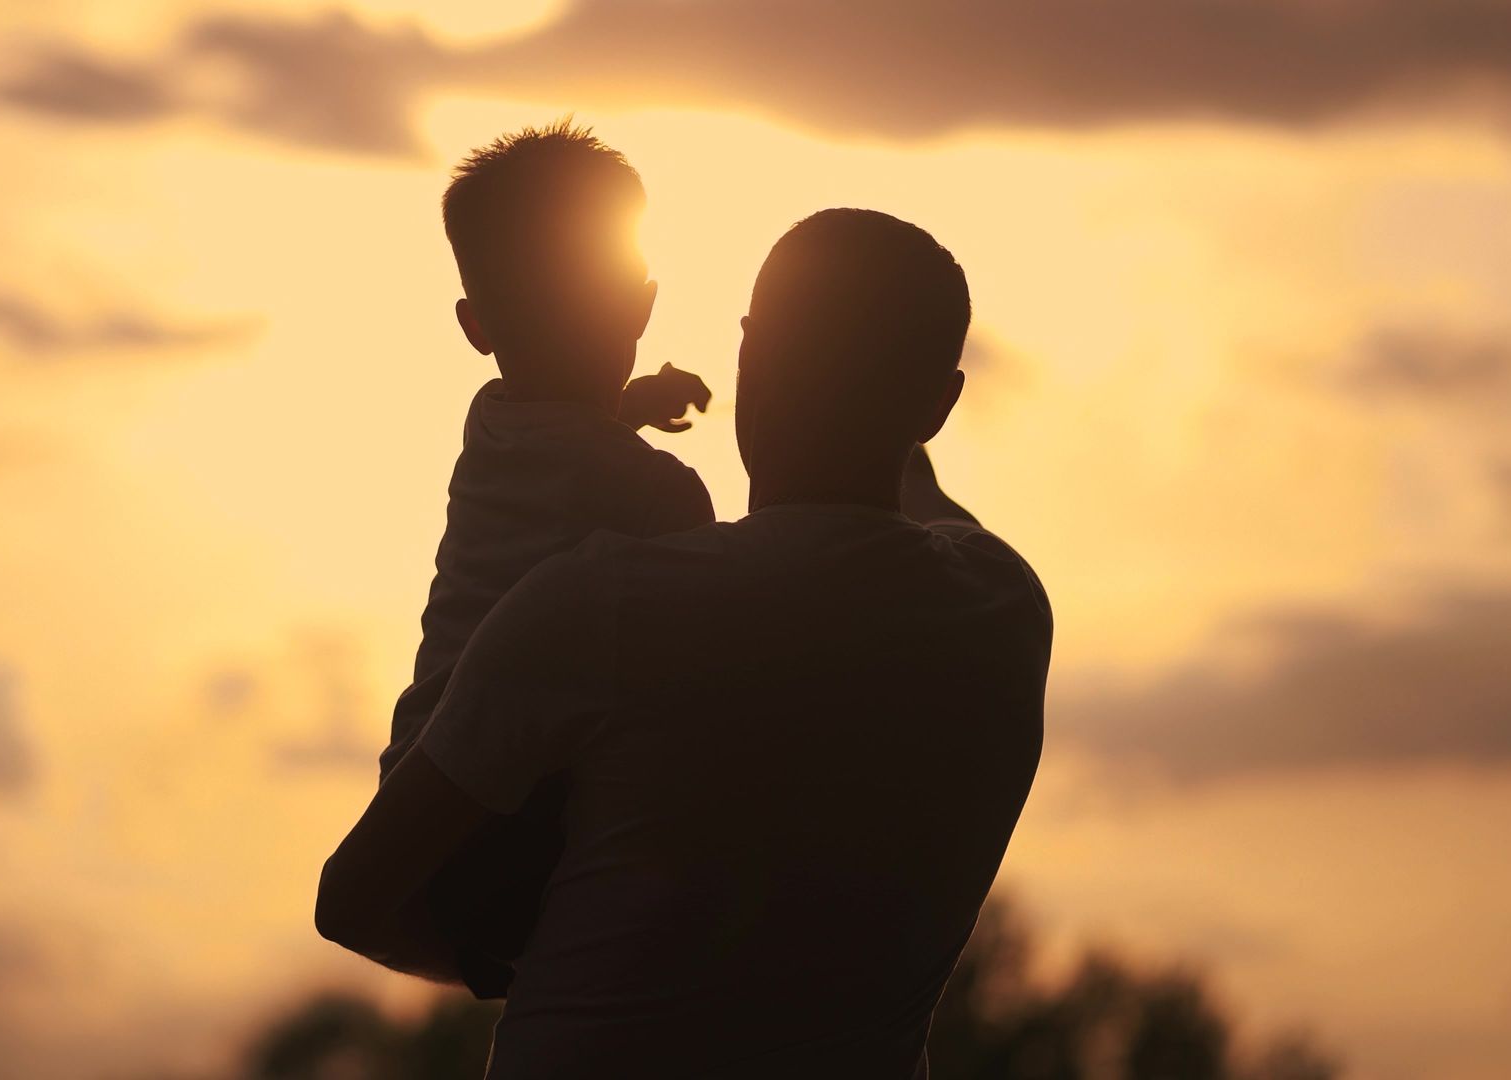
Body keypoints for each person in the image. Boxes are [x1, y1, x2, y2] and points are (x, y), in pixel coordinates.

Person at [321, 208, 1052, 1078]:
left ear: (750, 355)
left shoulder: (600, 604)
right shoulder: (1004, 614)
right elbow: (926, 508)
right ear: (939, 403)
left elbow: (354, 901)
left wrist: (536, 957)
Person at [385, 119, 717, 996]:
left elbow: (565, 449)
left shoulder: (489, 426)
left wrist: (628, 409)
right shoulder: (664, 497)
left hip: (419, 780)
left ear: (476, 327)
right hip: (513, 830)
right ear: (642, 305)